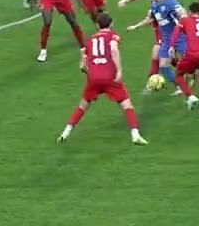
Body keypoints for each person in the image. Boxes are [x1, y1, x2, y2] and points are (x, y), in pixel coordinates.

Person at [57, 13, 147, 146]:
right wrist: (119, 71)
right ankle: (135, 135)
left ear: (97, 25)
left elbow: (82, 65)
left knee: (83, 106)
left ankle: (65, 132)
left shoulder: (90, 40)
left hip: (93, 78)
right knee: (126, 105)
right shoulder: (113, 37)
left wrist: (92, 72)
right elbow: (114, 50)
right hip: (109, 76)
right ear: (111, 24)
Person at [117, 0, 178, 82]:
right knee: (163, 56)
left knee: (157, 54)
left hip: (167, 26)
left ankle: (157, 82)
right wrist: (126, 0)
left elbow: (171, 5)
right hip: (158, 23)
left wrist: (156, 10)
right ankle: (184, 74)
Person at [127, 0, 185, 92]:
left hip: (179, 38)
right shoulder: (154, 5)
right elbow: (151, 18)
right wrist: (136, 26)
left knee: (192, 62)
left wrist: (183, 17)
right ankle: (181, 86)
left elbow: (182, 12)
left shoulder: (171, 2)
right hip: (167, 40)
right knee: (163, 66)